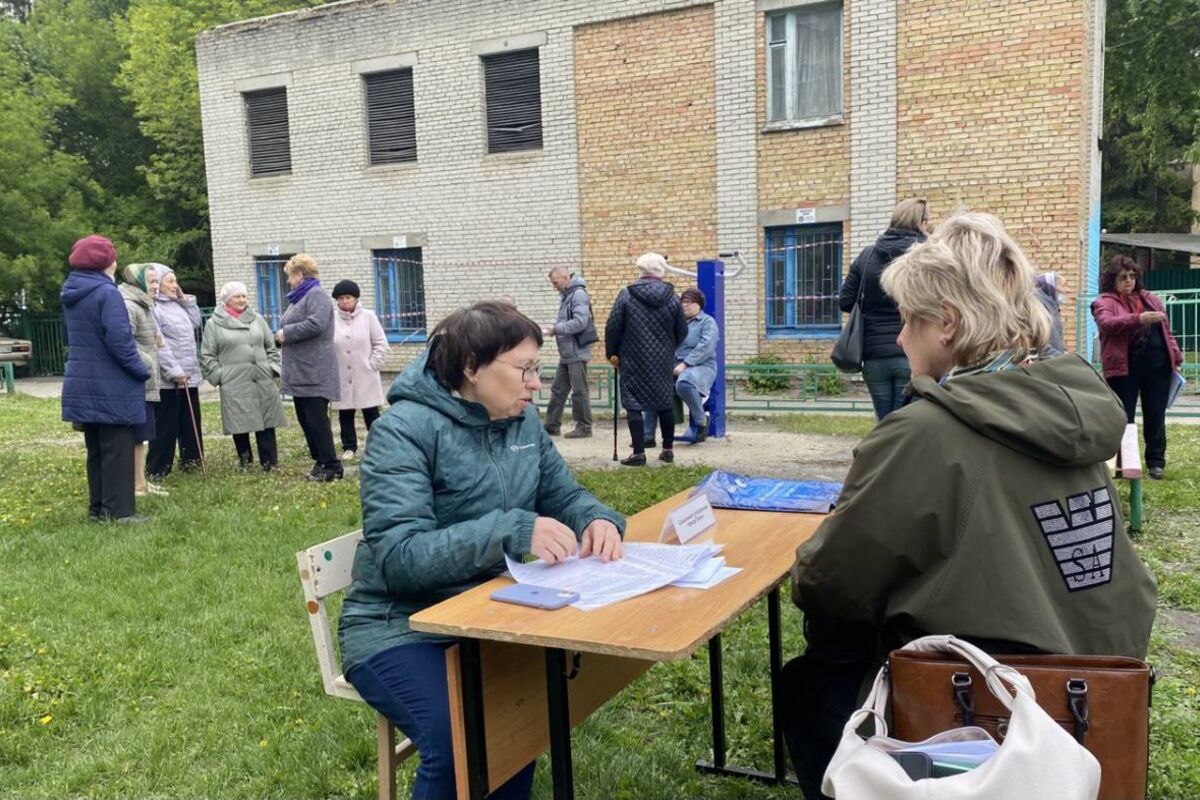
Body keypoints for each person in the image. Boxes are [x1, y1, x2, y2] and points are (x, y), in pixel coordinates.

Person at [782, 212, 1157, 800]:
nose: (900, 336)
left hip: (987, 700)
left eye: (909, 319)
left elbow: (831, 583)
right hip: (1101, 682)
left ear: (947, 326)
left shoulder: (927, 433)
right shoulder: (1069, 404)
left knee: (811, 681)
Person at [338, 300, 626, 800]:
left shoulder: (522, 423)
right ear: (472, 367)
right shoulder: (403, 431)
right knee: (462, 738)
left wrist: (596, 518)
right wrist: (511, 530)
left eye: (539, 369)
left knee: (522, 720)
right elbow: (401, 558)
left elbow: (564, 495)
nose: (536, 384)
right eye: (525, 370)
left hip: (486, 613)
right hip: (397, 626)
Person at [60, 235, 151, 523]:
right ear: (106, 262)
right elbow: (119, 341)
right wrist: (141, 370)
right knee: (118, 449)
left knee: (97, 449)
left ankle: (99, 508)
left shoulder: (73, 291)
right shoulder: (106, 293)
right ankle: (120, 511)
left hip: (83, 380)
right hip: (111, 382)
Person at [1091, 255, 1183, 480]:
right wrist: (1139, 318)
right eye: (1123, 277)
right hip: (1124, 369)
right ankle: (1123, 464)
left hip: (1158, 366)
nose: (1129, 281)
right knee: (1124, 416)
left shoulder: (1150, 298)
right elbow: (1107, 324)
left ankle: (1156, 463)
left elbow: (1166, 331)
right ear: (1112, 280)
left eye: (1133, 276)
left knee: (1155, 413)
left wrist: (1176, 356)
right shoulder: (1104, 302)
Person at [838, 198, 930, 420]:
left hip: (873, 354)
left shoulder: (867, 256)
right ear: (920, 222)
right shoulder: (928, 257)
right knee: (908, 422)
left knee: (884, 421)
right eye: (927, 221)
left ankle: (878, 454)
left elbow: (845, 302)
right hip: (912, 352)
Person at [604, 252, 688, 466]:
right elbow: (682, 330)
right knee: (664, 403)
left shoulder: (627, 294)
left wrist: (612, 353)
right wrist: (669, 348)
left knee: (633, 404)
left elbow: (613, 327)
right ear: (660, 271)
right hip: (662, 360)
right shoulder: (673, 298)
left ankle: (638, 453)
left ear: (641, 270)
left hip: (632, 358)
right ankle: (668, 450)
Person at [200, 282, 287, 470]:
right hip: (234, 382)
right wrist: (220, 375)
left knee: (266, 420)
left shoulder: (256, 319)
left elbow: (270, 347)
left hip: (261, 378)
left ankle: (270, 462)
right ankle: (245, 462)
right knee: (239, 422)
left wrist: (272, 368)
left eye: (244, 296)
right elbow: (207, 355)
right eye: (237, 296)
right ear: (226, 300)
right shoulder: (214, 324)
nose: (242, 300)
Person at [276, 254, 342, 481]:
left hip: (315, 371)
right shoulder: (300, 298)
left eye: (290, 276)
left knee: (317, 421)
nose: (288, 281)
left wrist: (287, 333)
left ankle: (332, 466)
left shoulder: (317, 295)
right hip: (301, 373)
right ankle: (320, 460)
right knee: (306, 421)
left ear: (300, 275)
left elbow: (316, 323)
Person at [148, 263, 204, 479]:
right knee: (166, 425)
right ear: (158, 283)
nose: (175, 285)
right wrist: (174, 371)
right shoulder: (154, 307)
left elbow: (196, 321)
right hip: (169, 378)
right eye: (169, 281)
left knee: (190, 422)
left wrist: (185, 300)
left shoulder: (178, 305)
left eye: (175, 280)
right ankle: (158, 468)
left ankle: (191, 461)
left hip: (189, 375)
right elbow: (159, 345)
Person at [644, 287, 718, 445]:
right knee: (654, 388)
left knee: (684, 381)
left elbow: (705, 347)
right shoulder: (676, 323)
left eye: (690, 302)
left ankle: (701, 420)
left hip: (702, 365)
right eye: (683, 302)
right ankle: (647, 436)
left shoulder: (707, 322)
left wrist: (685, 364)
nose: (685, 305)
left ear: (699, 305)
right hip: (676, 364)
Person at [118, 263, 166, 498]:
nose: (156, 286)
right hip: (137, 381)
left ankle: (141, 482)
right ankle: (136, 485)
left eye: (157, 281)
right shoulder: (129, 305)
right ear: (137, 282)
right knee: (137, 435)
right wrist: (147, 361)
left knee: (143, 436)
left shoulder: (144, 304)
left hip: (148, 381)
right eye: (151, 281)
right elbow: (125, 342)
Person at [330, 279, 389, 461]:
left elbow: (381, 344)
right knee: (345, 413)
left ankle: (379, 446)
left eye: (348, 297)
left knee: (371, 412)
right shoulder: (331, 318)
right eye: (340, 298)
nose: (344, 301)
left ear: (356, 298)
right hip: (341, 374)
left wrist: (372, 364)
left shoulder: (369, 316)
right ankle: (349, 447)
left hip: (365, 374)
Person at [541, 266, 596, 439]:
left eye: (555, 282)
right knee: (558, 390)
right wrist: (554, 326)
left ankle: (585, 427)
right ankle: (551, 426)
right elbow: (568, 320)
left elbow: (580, 322)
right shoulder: (567, 296)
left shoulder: (578, 294)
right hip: (567, 352)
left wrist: (556, 329)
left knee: (579, 391)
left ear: (565, 277)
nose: (554, 286)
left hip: (576, 352)